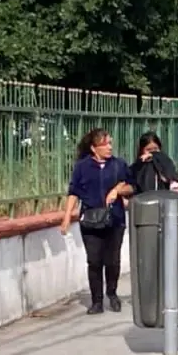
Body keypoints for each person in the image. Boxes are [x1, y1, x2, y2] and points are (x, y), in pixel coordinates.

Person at [61, 128, 135, 314]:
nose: (109, 147)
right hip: (91, 221)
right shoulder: (82, 167)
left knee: (112, 260)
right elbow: (74, 192)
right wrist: (67, 217)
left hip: (115, 219)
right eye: (105, 144)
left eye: (110, 143)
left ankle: (112, 293)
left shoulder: (118, 164)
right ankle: (97, 301)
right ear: (94, 148)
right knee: (94, 261)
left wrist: (117, 190)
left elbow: (131, 186)